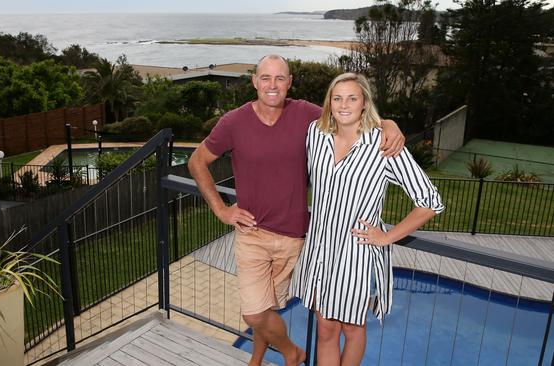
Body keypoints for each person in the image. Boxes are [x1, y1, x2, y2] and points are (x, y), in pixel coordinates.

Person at [188, 55, 405, 366]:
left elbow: (348, 116)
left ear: (289, 83)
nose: (272, 85)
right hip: (252, 234)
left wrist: (387, 123)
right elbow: (197, 162)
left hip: (294, 238)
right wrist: (221, 210)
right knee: (254, 312)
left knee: (268, 309)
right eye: (265, 78)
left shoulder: (306, 114)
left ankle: (258, 356)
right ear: (254, 82)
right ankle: (293, 352)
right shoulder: (233, 121)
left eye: (279, 79)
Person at [291, 73, 445, 366]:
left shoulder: (384, 146)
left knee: (351, 327)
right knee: (325, 328)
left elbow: (430, 201)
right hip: (319, 248)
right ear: (329, 102)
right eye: (337, 98)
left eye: (352, 98)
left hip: (355, 253)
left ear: (364, 103)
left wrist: (387, 236)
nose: (344, 104)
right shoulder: (316, 133)